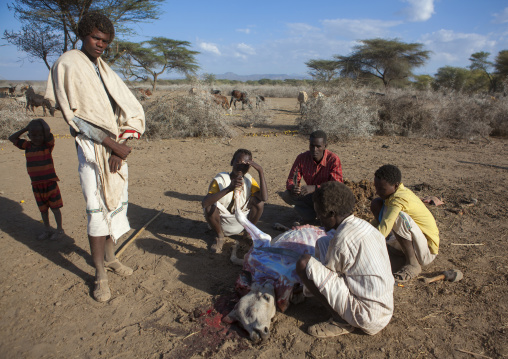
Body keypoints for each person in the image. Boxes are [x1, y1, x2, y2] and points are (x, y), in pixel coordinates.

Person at [45, 12, 145, 302]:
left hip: (115, 149)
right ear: (83, 33)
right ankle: (99, 273)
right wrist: (112, 144)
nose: (101, 44)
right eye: (96, 38)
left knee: (114, 204)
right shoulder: (68, 64)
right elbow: (75, 117)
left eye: (105, 41)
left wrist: (121, 146)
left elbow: (126, 109)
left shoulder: (103, 68)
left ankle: (112, 258)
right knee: (96, 209)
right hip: (91, 150)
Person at [296, 182, 394, 338]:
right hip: (383, 308)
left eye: (320, 214)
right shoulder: (363, 225)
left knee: (303, 264)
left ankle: (340, 320)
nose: (318, 218)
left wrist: (307, 282)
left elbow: (330, 272)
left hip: (365, 315)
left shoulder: (343, 239)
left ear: (332, 214)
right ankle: (333, 306)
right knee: (322, 242)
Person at [370, 164, 440, 283]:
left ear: (395, 185)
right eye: (376, 188)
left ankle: (413, 263)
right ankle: (398, 251)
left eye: (381, 189)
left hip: (426, 251)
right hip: (414, 242)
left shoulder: (400, 199)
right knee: (377, 203)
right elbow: (377, 223)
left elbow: (385, 227)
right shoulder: (392, 195)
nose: (377, 192)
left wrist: (365, 243)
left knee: (398, 217)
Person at [202, 149, 267, 253]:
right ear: (232, 162)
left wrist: (260, 171)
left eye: (245, 164)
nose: (241, 167)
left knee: (259, 203)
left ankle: (248, 233)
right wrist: (229, 188)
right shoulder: (221, 179)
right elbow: (205, 203)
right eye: (238, 162)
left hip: (240, 222)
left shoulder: (248, 180)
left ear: (250, 166)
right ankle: (219, 237)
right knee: (210, 205)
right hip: (220, 223)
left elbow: (264, 198)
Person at [9, 119, 64, 240]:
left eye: (40, 135)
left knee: (55, 208)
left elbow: (48, 133)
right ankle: (47, 229)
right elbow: (12, 138)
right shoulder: (27, 146)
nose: (37, 138)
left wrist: (40, 123)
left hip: (50, 183)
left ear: (44, 135)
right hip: (36, 185)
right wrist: (26, 128)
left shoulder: (47, 146)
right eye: (33, 135)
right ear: (29, 135)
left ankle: (59, 230)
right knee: (43, 210)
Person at [281, 130, 342, 224]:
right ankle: (309, 215)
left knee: (334, 198)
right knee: (287, 195)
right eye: (312, 146)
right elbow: (291, 179)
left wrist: (315, 188)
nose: (314, 149)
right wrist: (294, 187)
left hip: (326, 196)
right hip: (310, 196)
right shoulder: (302, 158)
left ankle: (324, 217)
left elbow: (336, 186)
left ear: (325, 146)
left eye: (318, 146)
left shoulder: (333, 159)